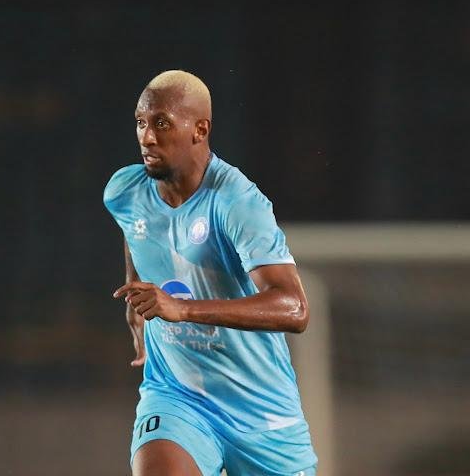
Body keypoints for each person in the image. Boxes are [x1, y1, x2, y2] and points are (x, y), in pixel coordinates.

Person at [103, 69, 318, 476]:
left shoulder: (237, 202)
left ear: (200, 130)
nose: (147, 137)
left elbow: (294, 309)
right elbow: (136, 229)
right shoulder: (124, 191)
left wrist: (182, 309)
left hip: (260, 411)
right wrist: (135, 291)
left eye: (161, 123)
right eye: (140, 123)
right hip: (176, 397)